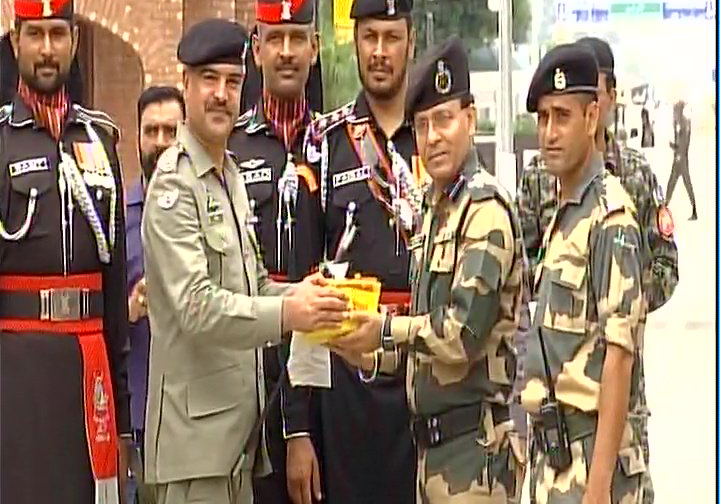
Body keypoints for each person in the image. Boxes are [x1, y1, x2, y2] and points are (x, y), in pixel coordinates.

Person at [141, 19, 348, 504]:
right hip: (193, 454)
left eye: (232, 82)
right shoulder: (174, 184)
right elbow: (196, 307)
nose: (221, 94)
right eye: (209, 80)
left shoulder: (227, 175)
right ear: (186, 85)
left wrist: (303, 296)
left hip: (236, 445)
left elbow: (253, 286)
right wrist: (287, 314)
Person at [330, 36, 525, 503]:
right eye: (421, 126)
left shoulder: (484, 211)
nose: (433, 137)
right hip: (433, 458)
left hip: (476, 461)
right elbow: (425, 345)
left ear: (470, 120)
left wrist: (384, 329)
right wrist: (367, 353)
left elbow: (460, 335)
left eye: (444, 120)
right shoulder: (437, 211)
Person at [516, 39, 674, 504]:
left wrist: (600, 486)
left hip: (592, 456)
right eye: (542, 119)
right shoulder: (565, 208)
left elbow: (619, 356)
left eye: (562, 117)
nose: (549, 133)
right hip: (557, 453)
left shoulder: (611, 219)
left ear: (592, 117)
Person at [0, 0, 131, 502]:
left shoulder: (101, 139)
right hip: (17, 372)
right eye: (36, 35)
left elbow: (115, 284)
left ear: (75, 43)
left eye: (58, 34)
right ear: (16, 45)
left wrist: (121, 412)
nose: (48, 49)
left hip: (88, 369)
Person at [295, 0, 419, 502]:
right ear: (354, 41)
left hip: (423, 372)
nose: (380, 52)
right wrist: (299, 429)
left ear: (411, 40)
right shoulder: (324, 142)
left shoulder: (435, 135)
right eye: (370, 37)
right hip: (347, 383)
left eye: (392, 37)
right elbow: (304, 283)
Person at [227, 2, 323, 503]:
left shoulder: (337, 146)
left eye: (297, 38)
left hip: (328, 385)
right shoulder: (230, 149)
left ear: (315, 47)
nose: (287, 52)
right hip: (251, 380)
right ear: (257, 48)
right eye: (275, 38)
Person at [125, 85, 185, 504]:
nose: (161, 142)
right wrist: (127, 308)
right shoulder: (115, 215)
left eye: (171, 131)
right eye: (152, 131)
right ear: (137, 137)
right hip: (140, 413)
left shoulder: (205, 207)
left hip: (196, 411)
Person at [666, 99, 697, 220]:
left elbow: (683, 144)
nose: (674, 113)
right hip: (680, 158)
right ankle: (665, 206)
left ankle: (665, 207)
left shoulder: (683, 124)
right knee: (673, 183)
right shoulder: (681, 123)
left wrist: (676, 151)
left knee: (680, 183)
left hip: (681, 159)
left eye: (675, 111)